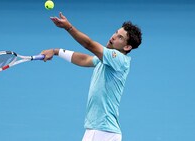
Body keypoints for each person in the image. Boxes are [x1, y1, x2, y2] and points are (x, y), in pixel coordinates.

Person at [40, 12, 142, 141]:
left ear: (127, 47)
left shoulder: (119, 59)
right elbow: (84, 59)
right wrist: (56, 51)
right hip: (99, 130)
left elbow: (89, 45)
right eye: (116, 32)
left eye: (120, 37)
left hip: (103, 131)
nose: (114, 36)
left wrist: (68, 27)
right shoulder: (106, 60)